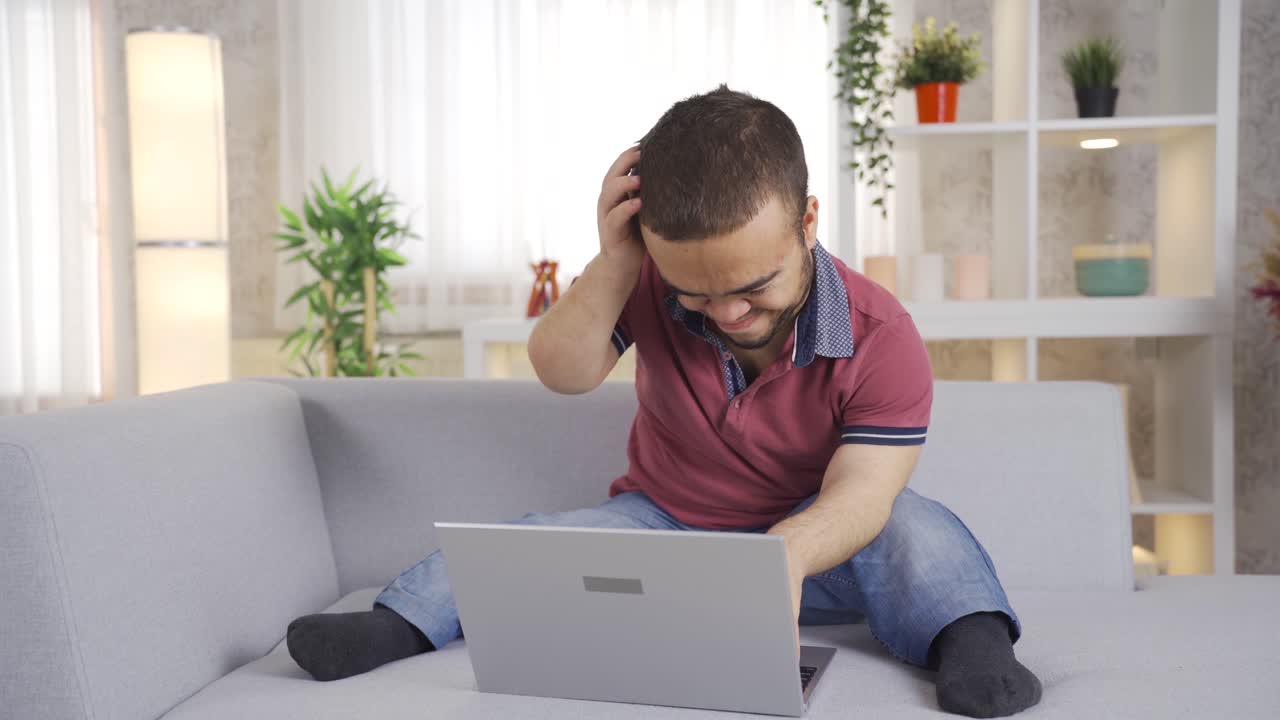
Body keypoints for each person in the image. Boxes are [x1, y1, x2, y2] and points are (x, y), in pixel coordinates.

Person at [286, 85, 1042, 718]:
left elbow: (864, 492)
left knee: (917, 526)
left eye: (754, 288)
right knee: (533, 542)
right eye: (696, 293)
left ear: (808, 223)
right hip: (671, 528)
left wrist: (784, 556)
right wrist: (615, 265)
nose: (728, 314)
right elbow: (563, 370)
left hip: (823, 555)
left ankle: (970, 639)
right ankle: (398, 624)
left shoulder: (882, 335)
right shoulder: (641, 281)